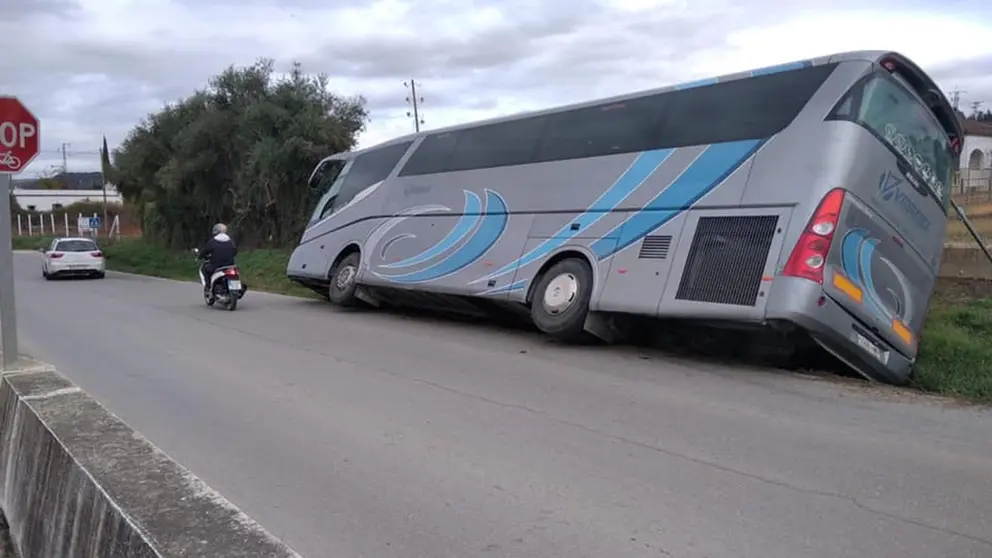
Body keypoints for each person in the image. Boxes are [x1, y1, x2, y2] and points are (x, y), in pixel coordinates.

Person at [198, 223, 238, 292]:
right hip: (230, 265)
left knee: (205, 269)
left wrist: (200, 257)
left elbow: (205, 251)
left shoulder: (213, 241)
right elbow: (235, 252)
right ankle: (236, 288)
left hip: (216, 265)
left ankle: (208, 287)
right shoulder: (230, 241)